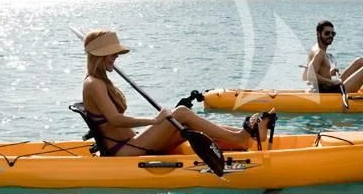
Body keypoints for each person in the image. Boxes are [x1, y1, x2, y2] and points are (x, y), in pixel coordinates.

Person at [81, 29, 274, 156]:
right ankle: (239, 137)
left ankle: (247, 137)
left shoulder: (101, 81)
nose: (116, 57)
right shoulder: (93, 83)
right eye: (113, 53)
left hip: (132, 141)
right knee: (180, 112)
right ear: (100, 54)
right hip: (124, 150)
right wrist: (155, 121)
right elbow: (115, 120)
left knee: (188, 125)